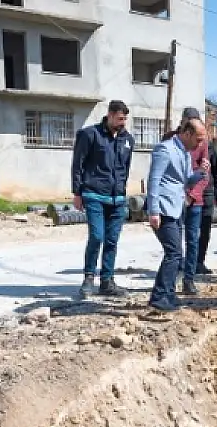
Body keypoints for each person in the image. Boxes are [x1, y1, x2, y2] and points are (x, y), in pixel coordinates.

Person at [72, 100, 134, 298]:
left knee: (112, 240)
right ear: (109, 115)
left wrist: (122, 192)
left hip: (117, 199)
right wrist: (77, 192)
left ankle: (107, 281)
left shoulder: (128, 140)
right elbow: (78, 164)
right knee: (97, 236)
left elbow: (125, 169)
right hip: (94, 194)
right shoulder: (90, 135)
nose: (122, 123)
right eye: (119, 119)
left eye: (124, 119)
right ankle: (88, 278)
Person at [145, 118, 208, 313]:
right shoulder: (165, 149)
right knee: (174, 252)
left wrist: (200, 173)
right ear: (187, 133)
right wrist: (153, 211)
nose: (199, 145)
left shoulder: (186, 154)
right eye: (197, 140)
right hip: (163, 209)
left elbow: (185, 182)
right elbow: (154, 181)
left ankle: (168, 294)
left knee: (175, 254)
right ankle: (159, 297)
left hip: (176, 208)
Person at [163, 107, 217, 294]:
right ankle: (172, 278)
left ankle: (189, 279)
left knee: (193, 239)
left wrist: (192, 194)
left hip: (195, 199)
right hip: (175, 199)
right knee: (175, 241)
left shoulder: (202, 143)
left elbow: (205, 172)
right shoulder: (170, 140)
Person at [195, 144, 217, 276]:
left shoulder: (211, 149)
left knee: (205, 231)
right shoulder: (188, 147)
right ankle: (190, 262)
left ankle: (200, 262)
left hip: (207, 194)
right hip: (192, 194)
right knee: (192, 232)